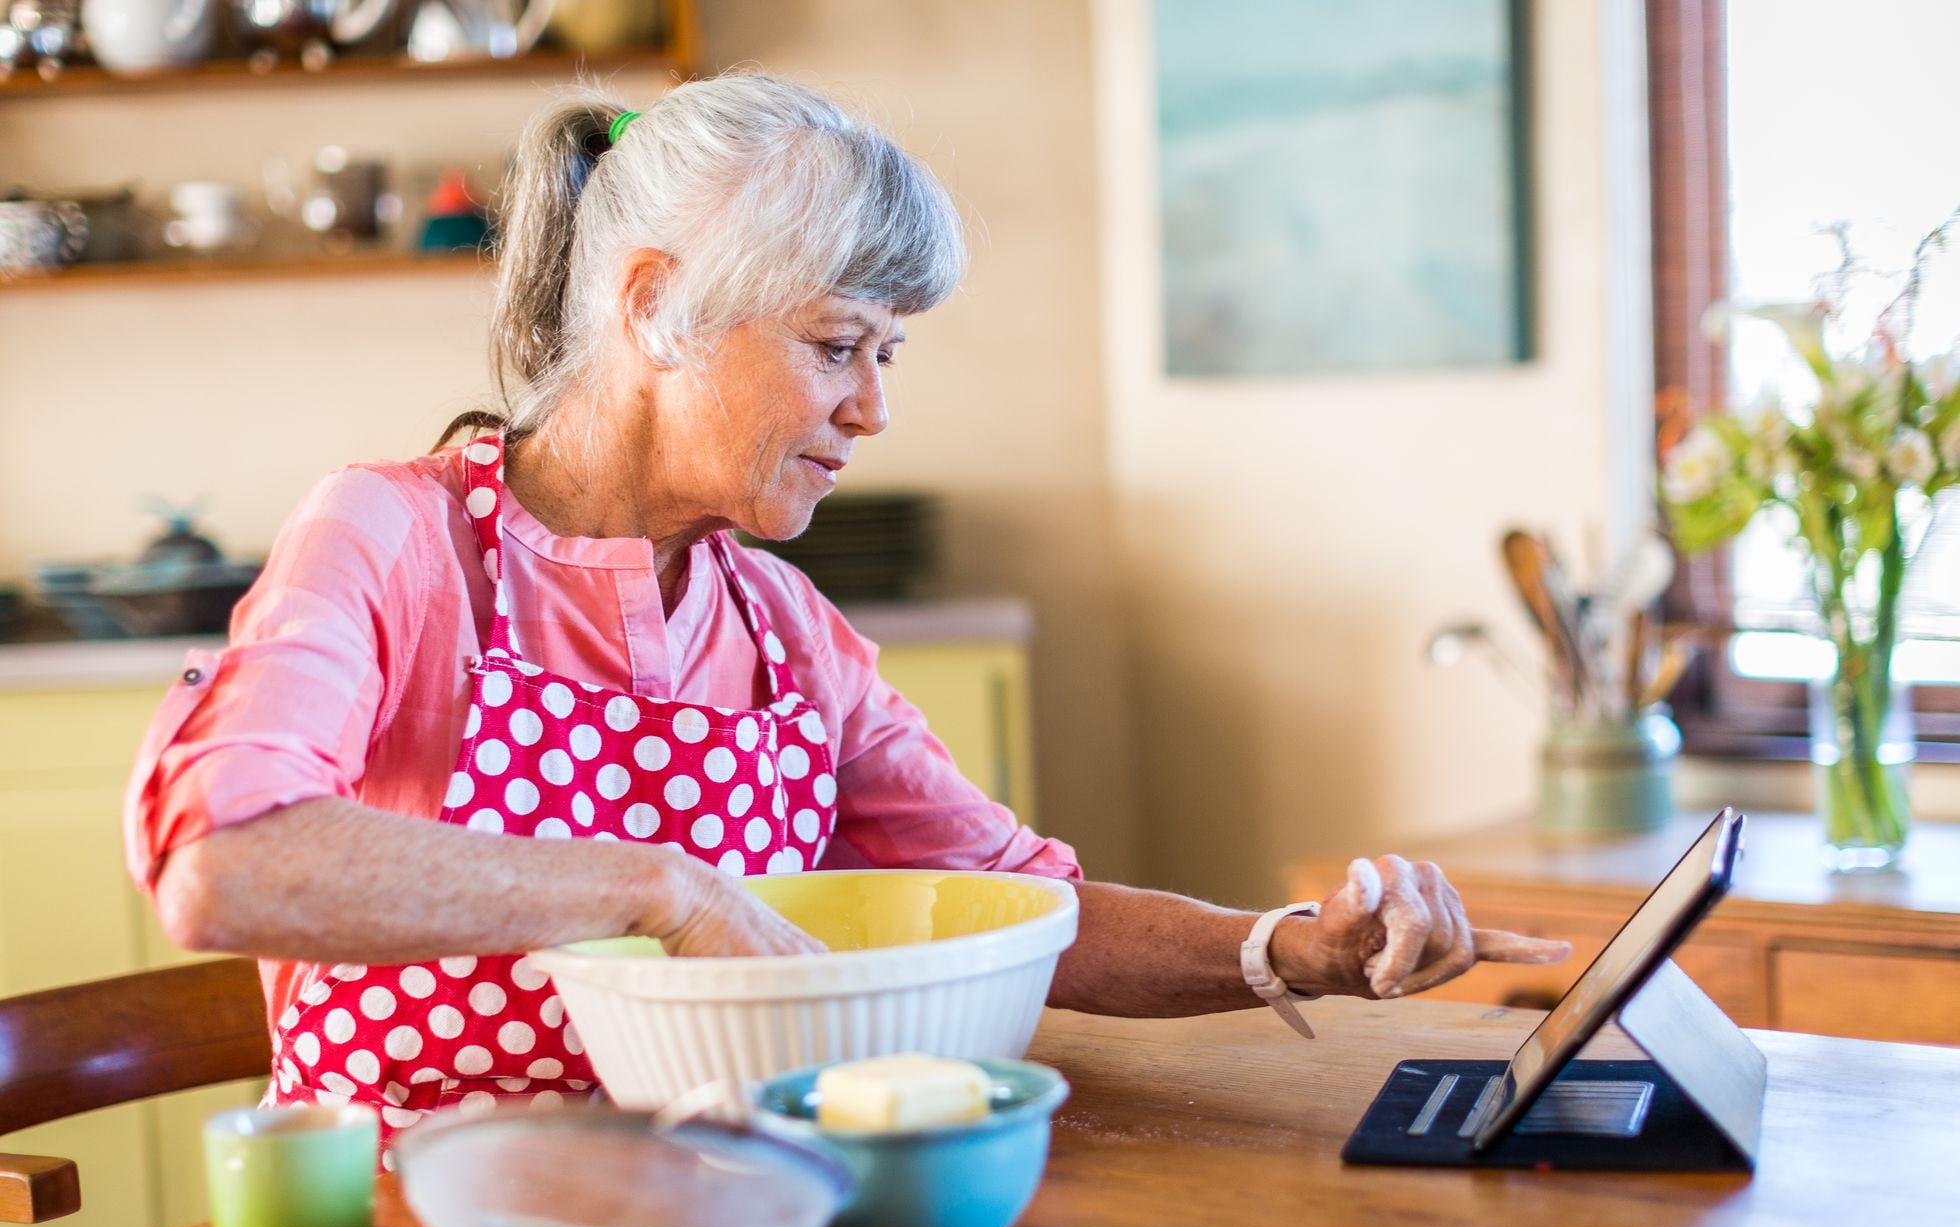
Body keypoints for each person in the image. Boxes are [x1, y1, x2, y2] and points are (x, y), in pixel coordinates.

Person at [124, 74, 1568, 1158]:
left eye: (887, 354)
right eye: (836, 346)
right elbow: (221, 860)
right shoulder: (392, 539)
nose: (872, 408)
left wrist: (1286, 948)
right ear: (654, 308)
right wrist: (658, 889)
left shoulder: (782, 629)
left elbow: (1021, 912)